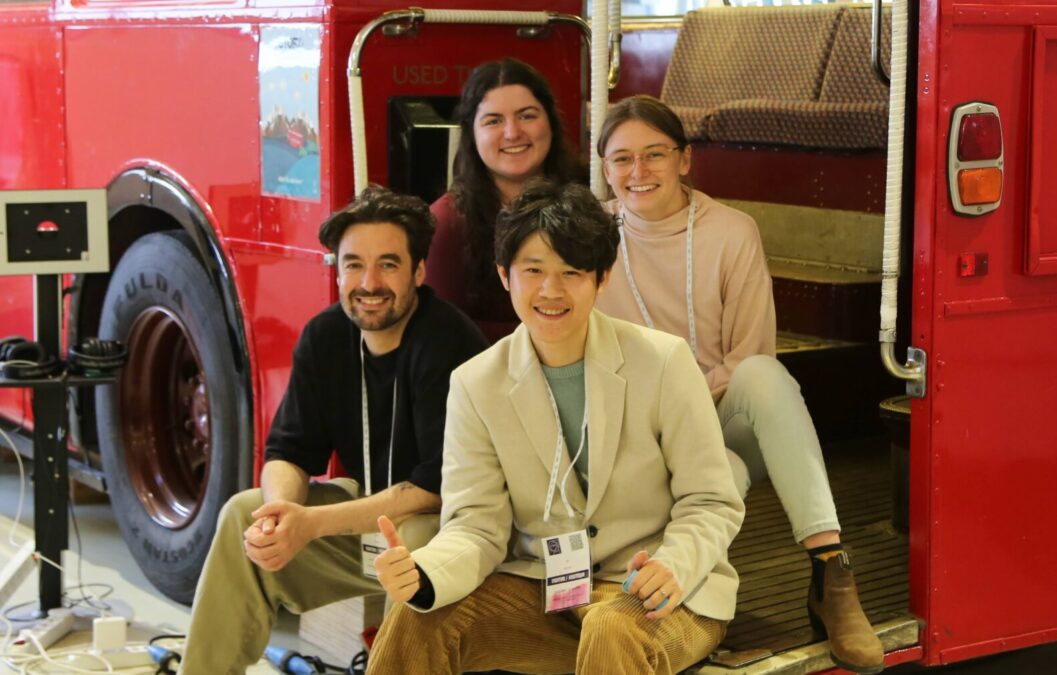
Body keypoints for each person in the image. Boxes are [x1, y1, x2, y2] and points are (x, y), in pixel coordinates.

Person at [365, 180, 745, 675]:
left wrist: (673, 563)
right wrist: (423, 574)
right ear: (505, 276)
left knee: (611, 628)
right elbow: (476, 525)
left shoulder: (664, 361)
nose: (551, 290)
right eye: (533, 271)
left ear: (602, 278)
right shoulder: (476, 383)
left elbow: (711, 500)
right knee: (417, 618)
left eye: (571, 272)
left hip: (654, 593)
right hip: (544, 590)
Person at [594, 95, 884, 674]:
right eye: (621, 158)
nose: (638, 172)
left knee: (764, 374)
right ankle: (692, 619)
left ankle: (833, 574)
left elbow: (748, 355)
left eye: (655, 154)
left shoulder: (731, 231)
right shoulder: (591, 237)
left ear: (685, 160)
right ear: (604, 168)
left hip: (720, 413)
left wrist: (680, 410)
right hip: (639, 437)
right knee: (719, 478)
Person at [178, 186, 488, 674]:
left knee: (419, 536)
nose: (369, 282)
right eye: (352, 264)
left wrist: (311, 525)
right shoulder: (325, 336)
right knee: (244, 512)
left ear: (419, 272)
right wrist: (280, 516)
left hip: (452, 531)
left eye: (388, 264)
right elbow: (288, 450)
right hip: (370, 522)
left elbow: (436, 489)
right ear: (337, 270)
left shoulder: (447, 342)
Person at [424, 58, 586, 343]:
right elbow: (440, 336)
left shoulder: (591, 199)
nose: (512, 132)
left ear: (551, 121)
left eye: (526, 116)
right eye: (494, 121)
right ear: (472, 134)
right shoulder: (448, 223)